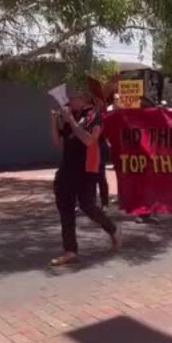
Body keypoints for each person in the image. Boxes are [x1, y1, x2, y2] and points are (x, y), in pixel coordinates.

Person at [51, 91, 121, 265]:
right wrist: (54, 121)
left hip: (87, 170)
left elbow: (89, 140)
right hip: (67, 168)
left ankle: (112, 229)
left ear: (83, 99)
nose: (68, 102)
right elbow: (58, 143)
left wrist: (72, 122)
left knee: (87, 205)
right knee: (65, 209)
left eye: (72, 98)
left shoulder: (94, 116)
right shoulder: (70, 116)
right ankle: (70, 251)